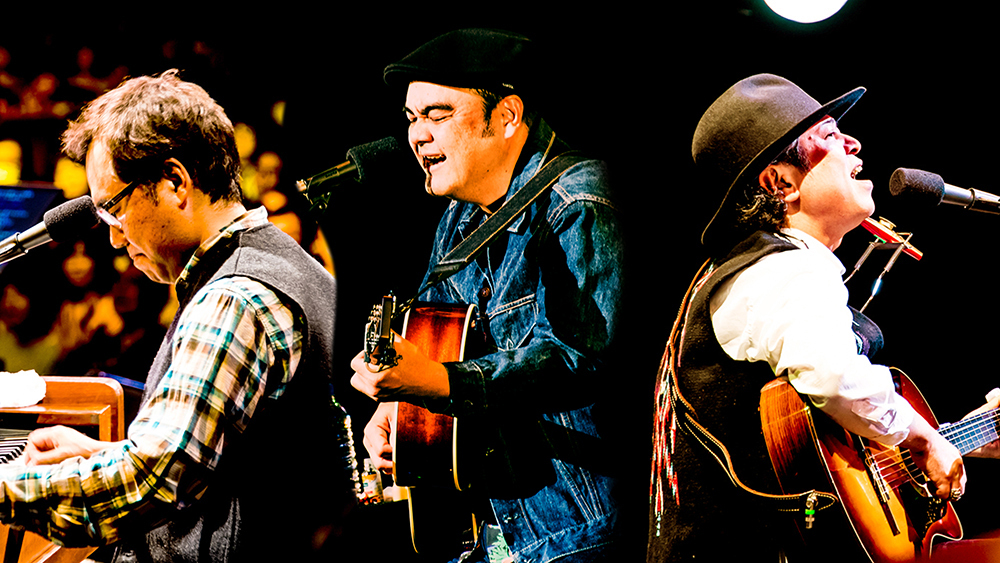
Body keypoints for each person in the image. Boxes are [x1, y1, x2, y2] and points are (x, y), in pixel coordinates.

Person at [0, 69, 355, 562]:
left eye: (114, 208)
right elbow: (229, 466)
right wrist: (104, 455)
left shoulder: (234, 299)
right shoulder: (282, 262)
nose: (114, 238)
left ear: (174, 182)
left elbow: (154, 480)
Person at [646, 73, 1000, 561]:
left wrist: (966, 434)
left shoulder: (757, 269)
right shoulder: (784, 268)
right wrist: (921, 436)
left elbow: (825, 435)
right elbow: (834, 378)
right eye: (830, 135)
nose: (854, 143)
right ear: (781, 183)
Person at [349, 29, 628, 562]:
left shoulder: (579, 202)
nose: (417, 135)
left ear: (507, 116)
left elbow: (578, 357)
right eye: (411, 118)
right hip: (498, 536)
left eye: (437, 114)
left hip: (585, 532)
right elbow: (435, 344)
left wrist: (439, 382)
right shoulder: (457, 222)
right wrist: (400, 407)